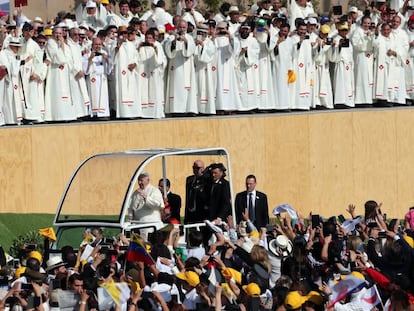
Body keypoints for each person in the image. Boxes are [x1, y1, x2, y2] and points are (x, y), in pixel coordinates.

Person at [164, 20, 198, 115]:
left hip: (187, 66)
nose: (182, 29)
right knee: (176, 88)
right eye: (180, 27)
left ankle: (188, 109)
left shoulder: (189, 38)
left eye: (184, 27)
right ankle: (176, 110)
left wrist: (186, 42)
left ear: (186, 28)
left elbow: (191, 50)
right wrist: (174, 41)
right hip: (175, 68)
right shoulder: (171, 37)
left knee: (187, 88)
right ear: (177, 27)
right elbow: (168, 51)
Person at [44, 26, 77, 122]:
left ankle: (67, 115)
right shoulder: (50, 43)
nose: (58, 35)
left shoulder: (66, 46)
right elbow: (59, 59)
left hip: (65, 73)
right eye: (56, 33)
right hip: (55, 72)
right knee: (56, 93)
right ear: (53, 33)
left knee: (66, 93)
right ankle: (56, 116)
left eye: (60, 33)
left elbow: (69, 59)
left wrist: (62, 45)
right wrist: (61, 46)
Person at [137, 29, 166, 118]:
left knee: (154, 91)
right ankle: (143, 113)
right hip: (143, 72)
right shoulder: (141, 45)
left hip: (154, 73)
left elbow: (160, 61)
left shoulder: (158, 45)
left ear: (154, 39)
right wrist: (138, 48)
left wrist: (155, 50)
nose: (148, 40)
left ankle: (155, 112)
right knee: (143, 91)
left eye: (150, 38)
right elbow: (136, 57)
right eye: (147, 38)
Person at [83, 36, 111, 119]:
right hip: (93, 78)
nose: (98, 46)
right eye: (96, 44)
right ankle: (94, 113)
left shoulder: (104, 53)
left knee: (103, 96)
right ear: (92, 45)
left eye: (99, 44)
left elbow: (109, 70)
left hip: (102, 78)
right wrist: (90, 59)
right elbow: (85, 70)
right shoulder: (87, 54)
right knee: (93, 95)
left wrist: (107, 60)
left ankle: (103, 114)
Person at [184, 160, 208, 224]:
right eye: (193, 167)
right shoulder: (190, 179)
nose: (195, 169)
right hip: (191, 212)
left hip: (202, 212)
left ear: (203, 168)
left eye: (197, 168)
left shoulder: (206, 180)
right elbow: (188, 197)